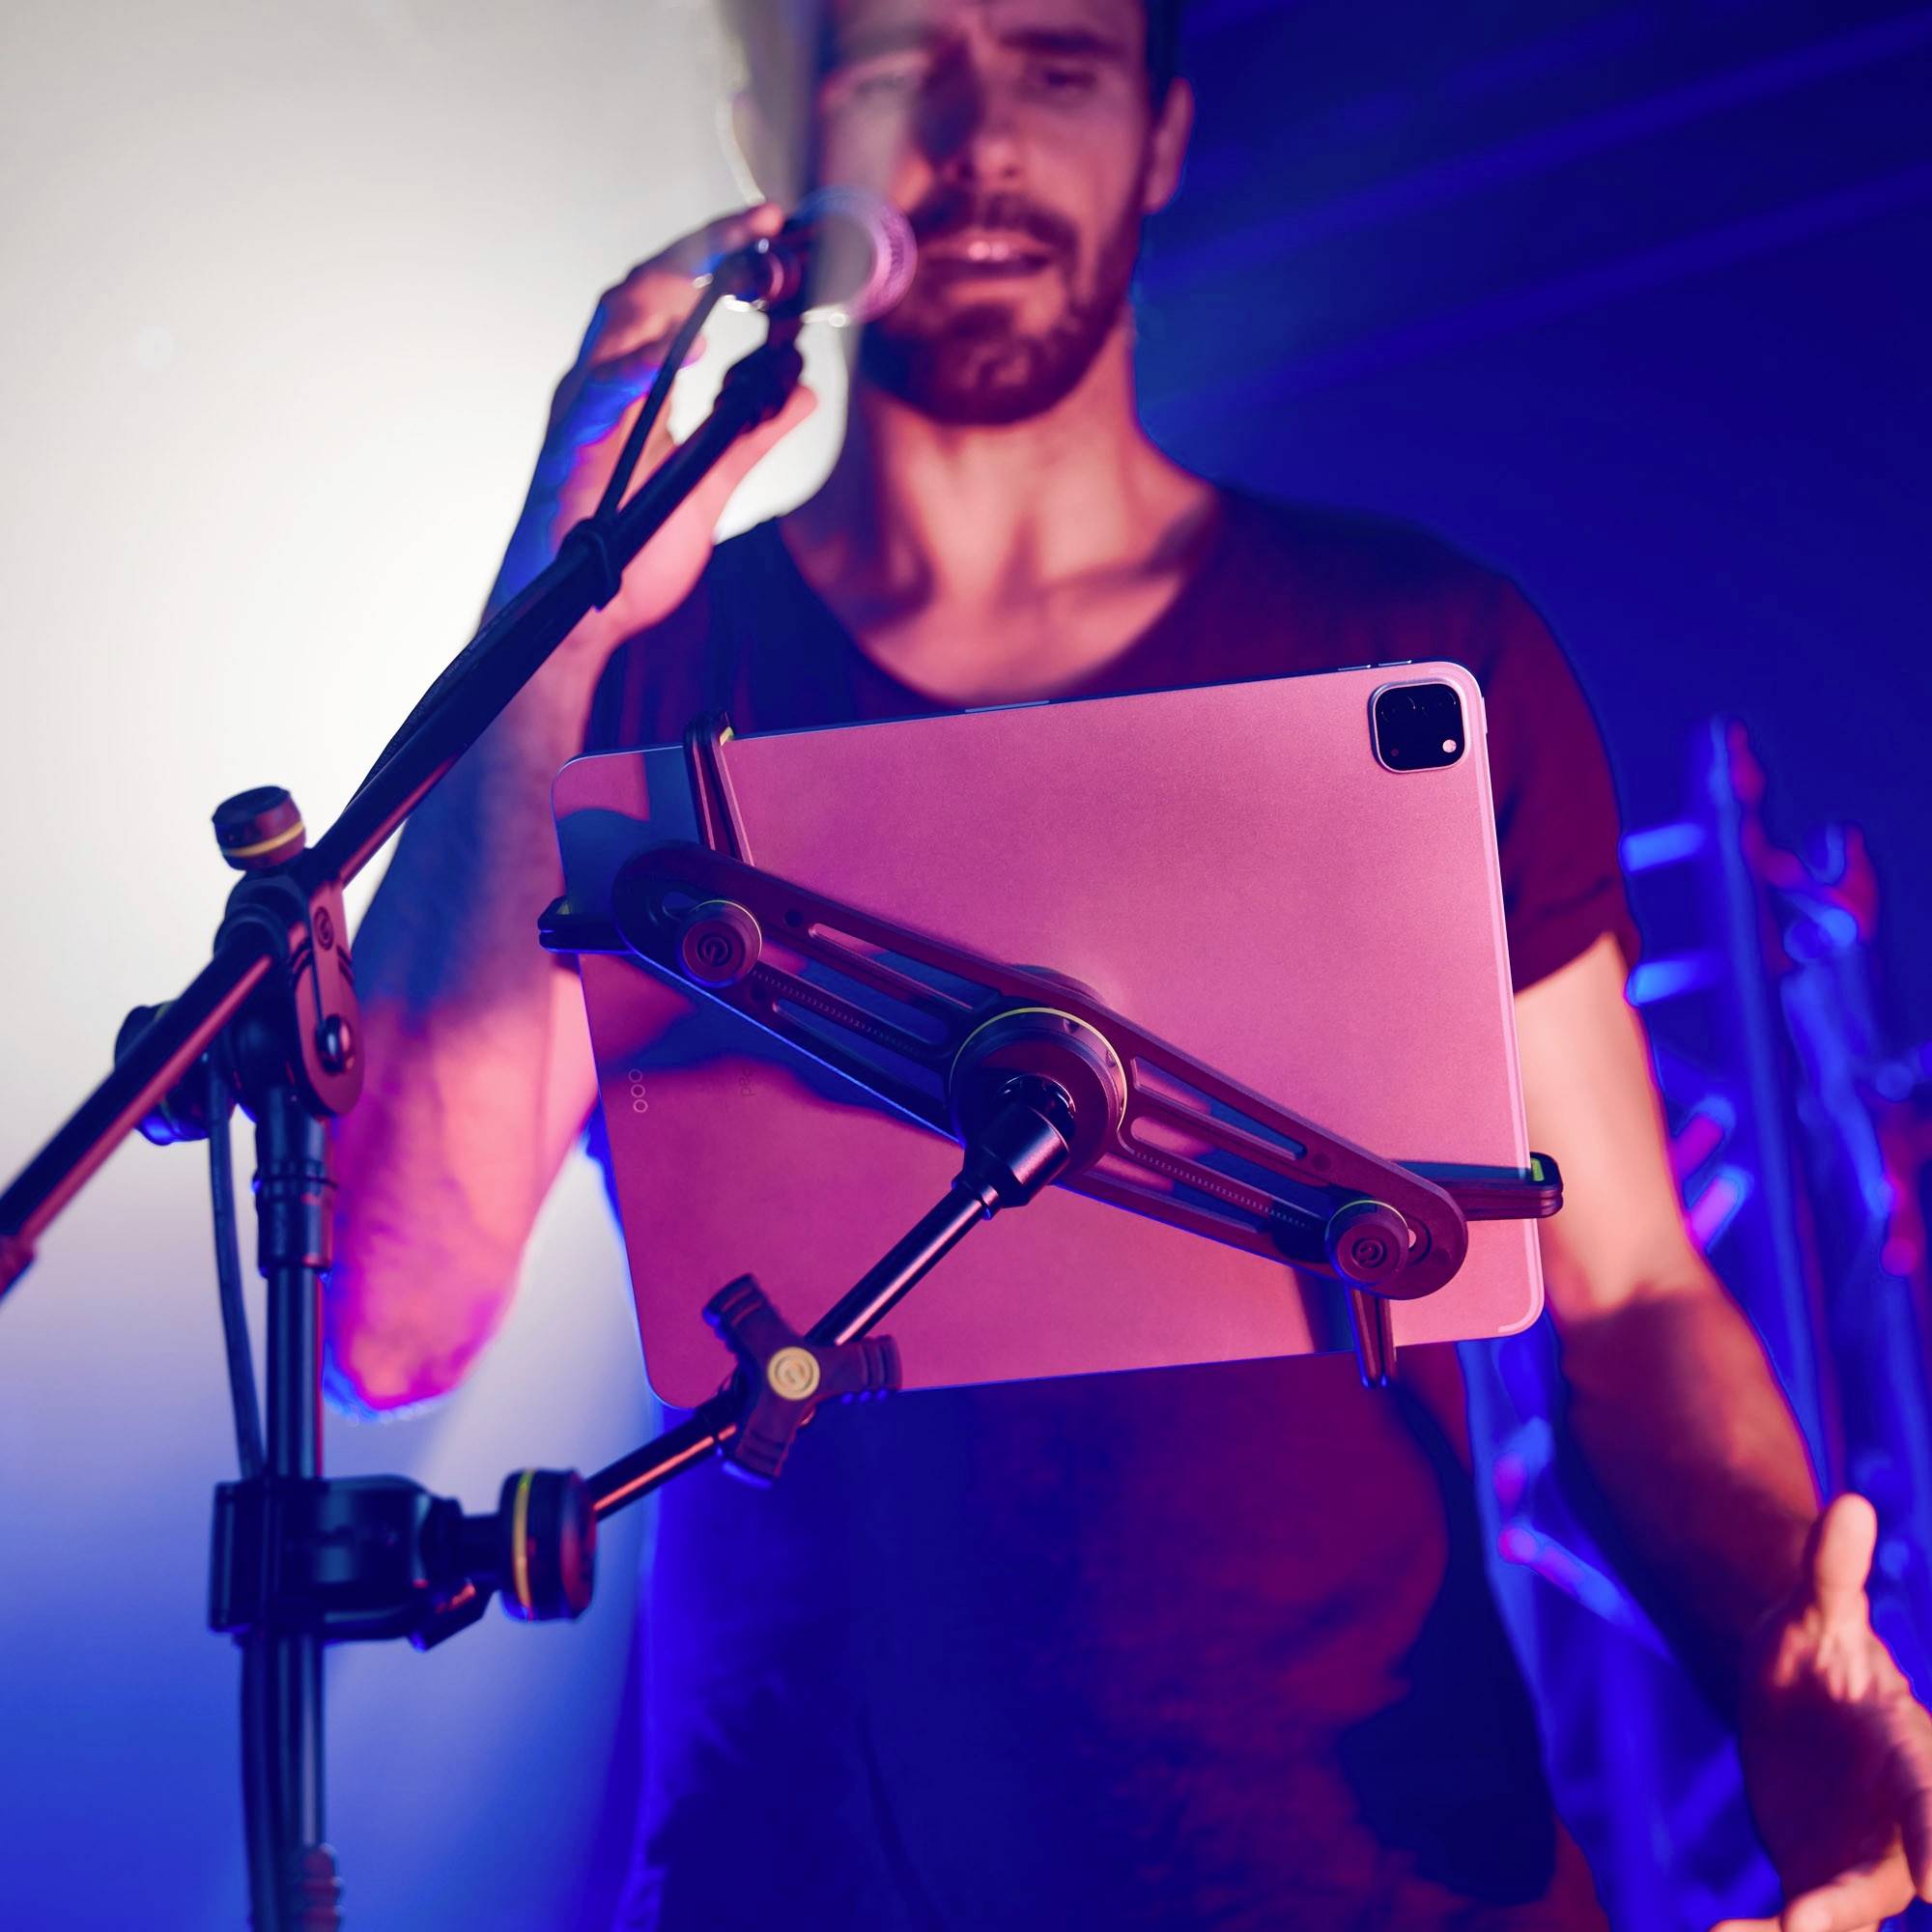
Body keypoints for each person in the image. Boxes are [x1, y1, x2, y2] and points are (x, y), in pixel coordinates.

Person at [328, 2, 1932, 1926]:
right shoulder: (627, 685)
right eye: (904, 64)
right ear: (775, 123)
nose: (983, 135)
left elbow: (1628, 1292)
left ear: (1160, 138)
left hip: (1387, 1880)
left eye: (1059, 65)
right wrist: (554, 602)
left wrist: (1777, 1648)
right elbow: (398, 1308)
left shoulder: (1408, 637)